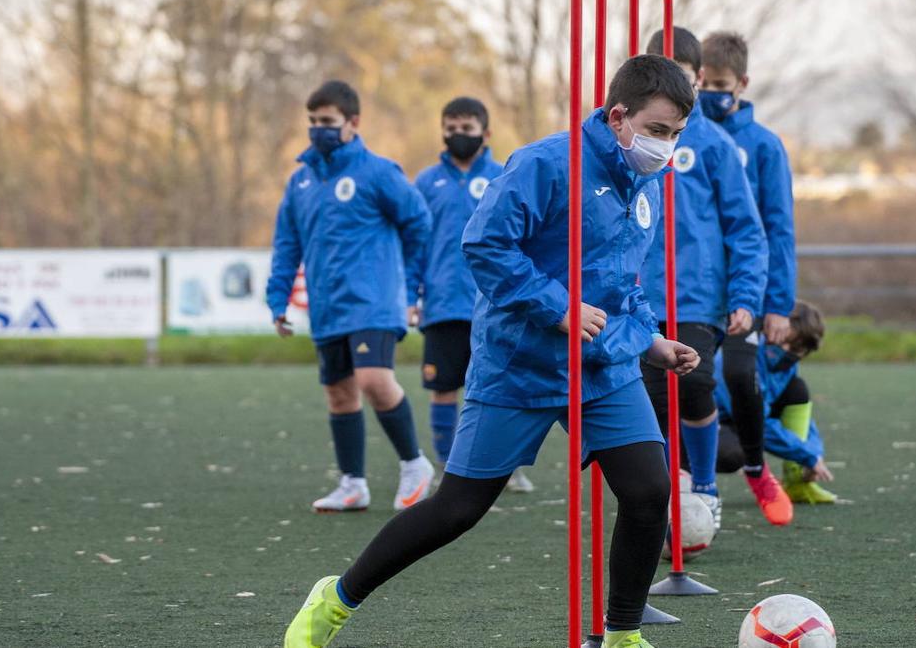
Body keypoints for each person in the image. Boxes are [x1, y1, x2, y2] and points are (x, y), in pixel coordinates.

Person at [283, 55, 702, 648]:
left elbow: (623, 283)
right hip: (520, 363)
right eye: (658, 131)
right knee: (458, 509)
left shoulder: (646, 184)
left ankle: (623, 634)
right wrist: (557, 309)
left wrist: (651, 341)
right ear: (618, 117)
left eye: (676, 135)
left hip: (603, 366)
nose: (665, 146)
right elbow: (483, 245)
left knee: (648, 491)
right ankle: (337, 597)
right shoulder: (545, 164)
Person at [639, 27, 790, 528]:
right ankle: (665, 494)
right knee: (653, 398)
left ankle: (706, 485)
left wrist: (752, 297)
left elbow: (752, 229)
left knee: (699, 383)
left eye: (679, 78)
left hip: (698, 296)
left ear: (698, 79)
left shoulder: (716, 144)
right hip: (639, 294)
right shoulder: (631, 139)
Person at [266, 80, 435, 514]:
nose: (318, 129)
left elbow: (419, 223)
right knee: (340, 394)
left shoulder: (378, 172)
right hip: (327, 306)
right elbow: (288, 245)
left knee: (373, 381)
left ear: (352, 123)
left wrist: (412, 283)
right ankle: (352, 483)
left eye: (327, 121)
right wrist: (277, 300)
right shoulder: (300, 182)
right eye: (313, 122)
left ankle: (415, 465)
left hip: (374, 302)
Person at [407, 97, 533, 492]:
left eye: (467, 128)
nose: (458, 135)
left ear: (486, 132)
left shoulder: (504, 174)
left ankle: (507, 466)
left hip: (497, 305)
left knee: (499, 387)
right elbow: (415, 245)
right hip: (443, 304)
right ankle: (447, 466)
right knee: (443, 388)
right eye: (451, 127)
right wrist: (411, 295)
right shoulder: (426, 183)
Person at [714, 301, 836, 504]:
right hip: (717, 419)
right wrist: (806, 455)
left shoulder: (787, 365)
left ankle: (796, 481)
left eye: (796, 347)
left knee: (797, 390)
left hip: (747, 417)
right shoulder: (743, 358)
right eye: (783, 339)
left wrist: (814, 453)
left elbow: (803, 418)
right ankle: (690, 482)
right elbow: (756, 422)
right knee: (733, 454)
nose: (786, 349)